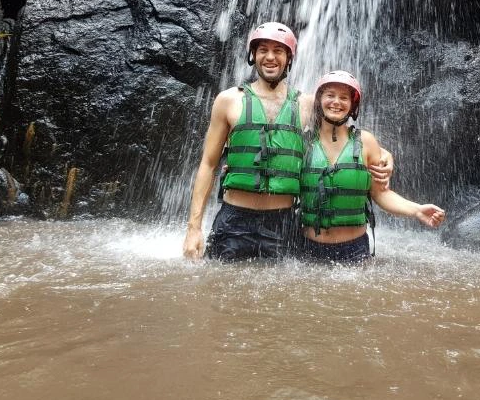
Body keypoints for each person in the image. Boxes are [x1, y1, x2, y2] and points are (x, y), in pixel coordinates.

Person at [182, 23, 392, 261]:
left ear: (289, 58)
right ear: (253, 55)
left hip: (282, 223)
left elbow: (345, 135)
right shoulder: (228, 100)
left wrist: (385, 155)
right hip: (233, 221)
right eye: (263, 49)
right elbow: (208, 164)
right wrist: (193, 228)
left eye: (278, 51)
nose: (270, 57)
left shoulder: (307, 104)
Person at [299, 70, 445, 263]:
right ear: (318, 101)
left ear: (352, 106)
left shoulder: (366, 142)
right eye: (330, 95)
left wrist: (416, 210)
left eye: (344, 97)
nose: (336, 102)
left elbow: (381, 193)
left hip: (353, 249)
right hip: (309, 248)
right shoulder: (302, 142)